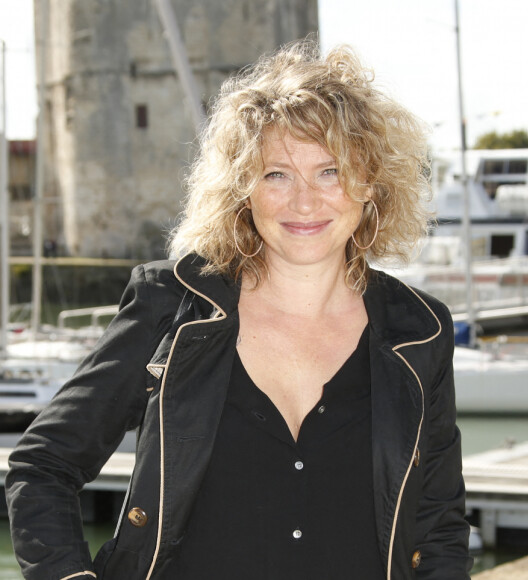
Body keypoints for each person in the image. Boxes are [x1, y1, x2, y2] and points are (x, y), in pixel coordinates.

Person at [6, 39, 472, 580]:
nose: (304, 201)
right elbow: (43, 464)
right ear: (241, 188)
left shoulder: (419, 330)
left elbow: (438, 525)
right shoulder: (174, 305)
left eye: (331, 171)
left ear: (371, 184)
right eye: (276, 174)